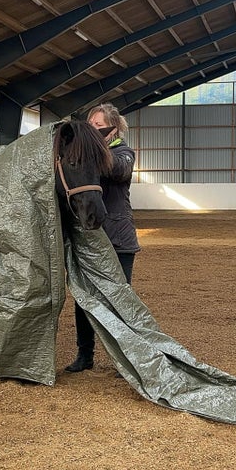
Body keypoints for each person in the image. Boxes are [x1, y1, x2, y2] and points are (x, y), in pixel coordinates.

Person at [65, 103, 140, 373]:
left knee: (120, 301)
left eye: (99, 127)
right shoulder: (85, 156)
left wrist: (92, 149)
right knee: (84, 299)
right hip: (89, 239)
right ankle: (85, 355)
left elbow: (119, 170)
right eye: (90, 127)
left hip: (118, 239)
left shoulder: (123, 153)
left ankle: (126, 360)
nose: (94, 131)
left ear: (113, 129)